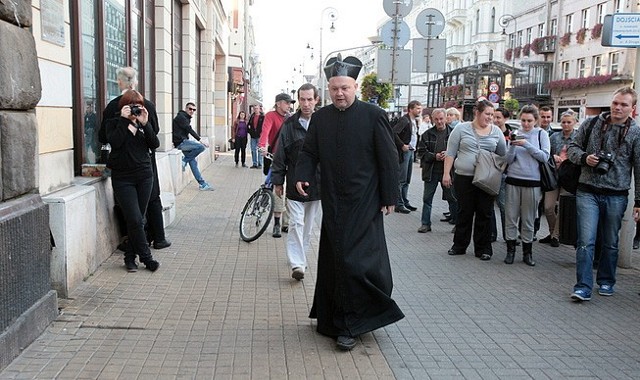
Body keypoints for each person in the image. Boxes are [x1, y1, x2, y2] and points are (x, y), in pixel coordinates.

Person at [295, 54, 404, 351]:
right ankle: (335, 319)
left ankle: (351, 325)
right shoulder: (320, 118)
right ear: (327, 90)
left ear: (355, 86)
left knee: (354, 261)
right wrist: (302, 175)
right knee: (335, 260)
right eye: (334, 89)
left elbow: (388, 158)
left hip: (365, 201)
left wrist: (390, 195)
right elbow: (309, 153)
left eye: (345, 87)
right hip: (332, 201)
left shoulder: (373, 115)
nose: (340, 93)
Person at [567, 86, 640, 301]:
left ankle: (607, 280)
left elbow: (639, 167)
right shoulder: (591, 123)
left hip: (616, 194)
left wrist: (639, 201)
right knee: (585, 241)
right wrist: (584, 158)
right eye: (615, 102)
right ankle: (583, 286)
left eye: (623, 104)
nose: (618, 107)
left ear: (632, 109)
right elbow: (572, 148)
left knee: (610, 241)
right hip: (587, 190)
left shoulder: (635, 132)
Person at [99, 66, 171, 250]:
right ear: (136, 82)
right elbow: (155, 132)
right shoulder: (146, 104)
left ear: (119, 82)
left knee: (133, 205)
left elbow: (103, 137)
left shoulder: (113, 106)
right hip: (144, 161)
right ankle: (155, 239)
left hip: (128, 164)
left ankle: (138, 242)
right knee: (151, 198)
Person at [104, 90, 160, 272]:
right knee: (135, 218)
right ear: (124, 106)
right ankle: (146, 257)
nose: (136, 109)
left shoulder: (144, 123)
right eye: (132, 106)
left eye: (139, 106)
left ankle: (129, 257)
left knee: (137, 220)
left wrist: (145, 123)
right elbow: (115, 142)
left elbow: (154, 144)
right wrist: (123, 119)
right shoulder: (114, 123)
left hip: (144, 176)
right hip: (123, 178)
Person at [443, 100, 506, 260]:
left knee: (485, 213)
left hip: (486, 179)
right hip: (464, 177)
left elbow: (502, 155)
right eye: (487, 114)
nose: (490, 117)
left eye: (492, 114)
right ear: (477, 113)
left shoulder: (496, 132)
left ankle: (483, 248)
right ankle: (459, 245)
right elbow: (450, 152)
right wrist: (446, 174)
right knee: (464, 211)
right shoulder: (461, 129)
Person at [271, 83, 321, 281]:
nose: (306, 103)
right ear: (298, 100)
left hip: (317, 184)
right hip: (293, 181)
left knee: (308, 226)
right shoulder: (290, 124)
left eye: (310, 99)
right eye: (302, 99)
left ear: (316, 100)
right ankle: (297, 264)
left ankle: (300, 256)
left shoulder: (323, 122)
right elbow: (280, 152)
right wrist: (278, 180)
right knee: (296, 223)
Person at [503, 105, 551, 266]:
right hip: (513, 179)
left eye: (529, 121)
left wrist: (527, 145)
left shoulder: (541, 134)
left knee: (529, 218)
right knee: (511, 216)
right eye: (523, 120)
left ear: (536, 120)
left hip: (532, 182)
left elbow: (544, 157)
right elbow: (508, 160)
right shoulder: (516, 133)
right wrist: (512, 146)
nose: (526, 124)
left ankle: (527, 252)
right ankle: (510, 251)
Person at [539, 109, 578, 248]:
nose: (566, 125)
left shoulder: (579, 137)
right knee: (548, 207)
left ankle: (556, 236)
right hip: (554, 175)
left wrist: (569, 160)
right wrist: (552, 157)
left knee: (563, 207)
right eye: (563, 122)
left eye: (569, 122)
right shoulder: (554, 137)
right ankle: (552, 232)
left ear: (574, 122)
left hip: (570, 177)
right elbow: (545, 154)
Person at [259, 93, 295, 238]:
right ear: (278, 103)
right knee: (278, 191)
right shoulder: (270, 116)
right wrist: (262, 146)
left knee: (291, 191)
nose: (289, 105)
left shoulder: (292, 118)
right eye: (287, 103)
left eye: (290, 103)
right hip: (276, 157)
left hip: (291, 158)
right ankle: (277, 223)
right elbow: (265, 131)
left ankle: (287, 223)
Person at [416, 108, 457, 233]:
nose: (439, 122)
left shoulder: (454, 133)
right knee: (427, 198)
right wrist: (435, 156)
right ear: (433, 119)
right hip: (431, 172)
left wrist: (449, 154)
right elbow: (420, 153)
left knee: (452, 198)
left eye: (441, 118)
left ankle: (457, 223)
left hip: (449, 172)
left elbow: (461, 150)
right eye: (436, 119)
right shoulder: (427, 134)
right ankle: (425, 224)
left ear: (446, 118)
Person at [172, 102, 214, 191]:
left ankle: (202, 184)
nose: (192, 111)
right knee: (201, 147)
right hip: (180, 143)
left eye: (194, 110)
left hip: (183, 142)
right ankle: (184, 160)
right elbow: (189, 130)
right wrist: (200, 140)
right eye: (190, 109)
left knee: (193, 164)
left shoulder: (186, 118)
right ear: (186, 108)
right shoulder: (181, 117)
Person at [393, 100, 422, 213]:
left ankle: (404, 201)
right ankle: (399, 204)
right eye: (417, 108)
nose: (420, 110)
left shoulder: (414, 121)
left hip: (411, 151)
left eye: (420, 108)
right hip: (405, 152)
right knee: (402, 179)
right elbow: (393, 132)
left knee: (407, 179)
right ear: (411, 109)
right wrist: (402, 145)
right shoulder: (405, 120)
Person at [492, 107, 512, 242]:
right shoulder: (490, 132)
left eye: (498, 117)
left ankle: (508, 235)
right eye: (494, 117)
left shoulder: (511, 134)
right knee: (489, 206)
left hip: (506, 174)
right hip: (491, 173)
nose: (495, 120)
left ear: (505, 119)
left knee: (504, 205)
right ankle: (492, 233)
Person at [248, 104, 264, 169]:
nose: (255, 110)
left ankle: (260, 164)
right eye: (254, 109)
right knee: (253, 150)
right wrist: (250, 131)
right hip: (253, 136)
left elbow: (265, 127)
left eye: (257, 108)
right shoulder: (252, 117)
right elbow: (249, 124)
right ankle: (254, 163)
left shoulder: (262, 117)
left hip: (260, 136)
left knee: (260, 150)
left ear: (259, 109)